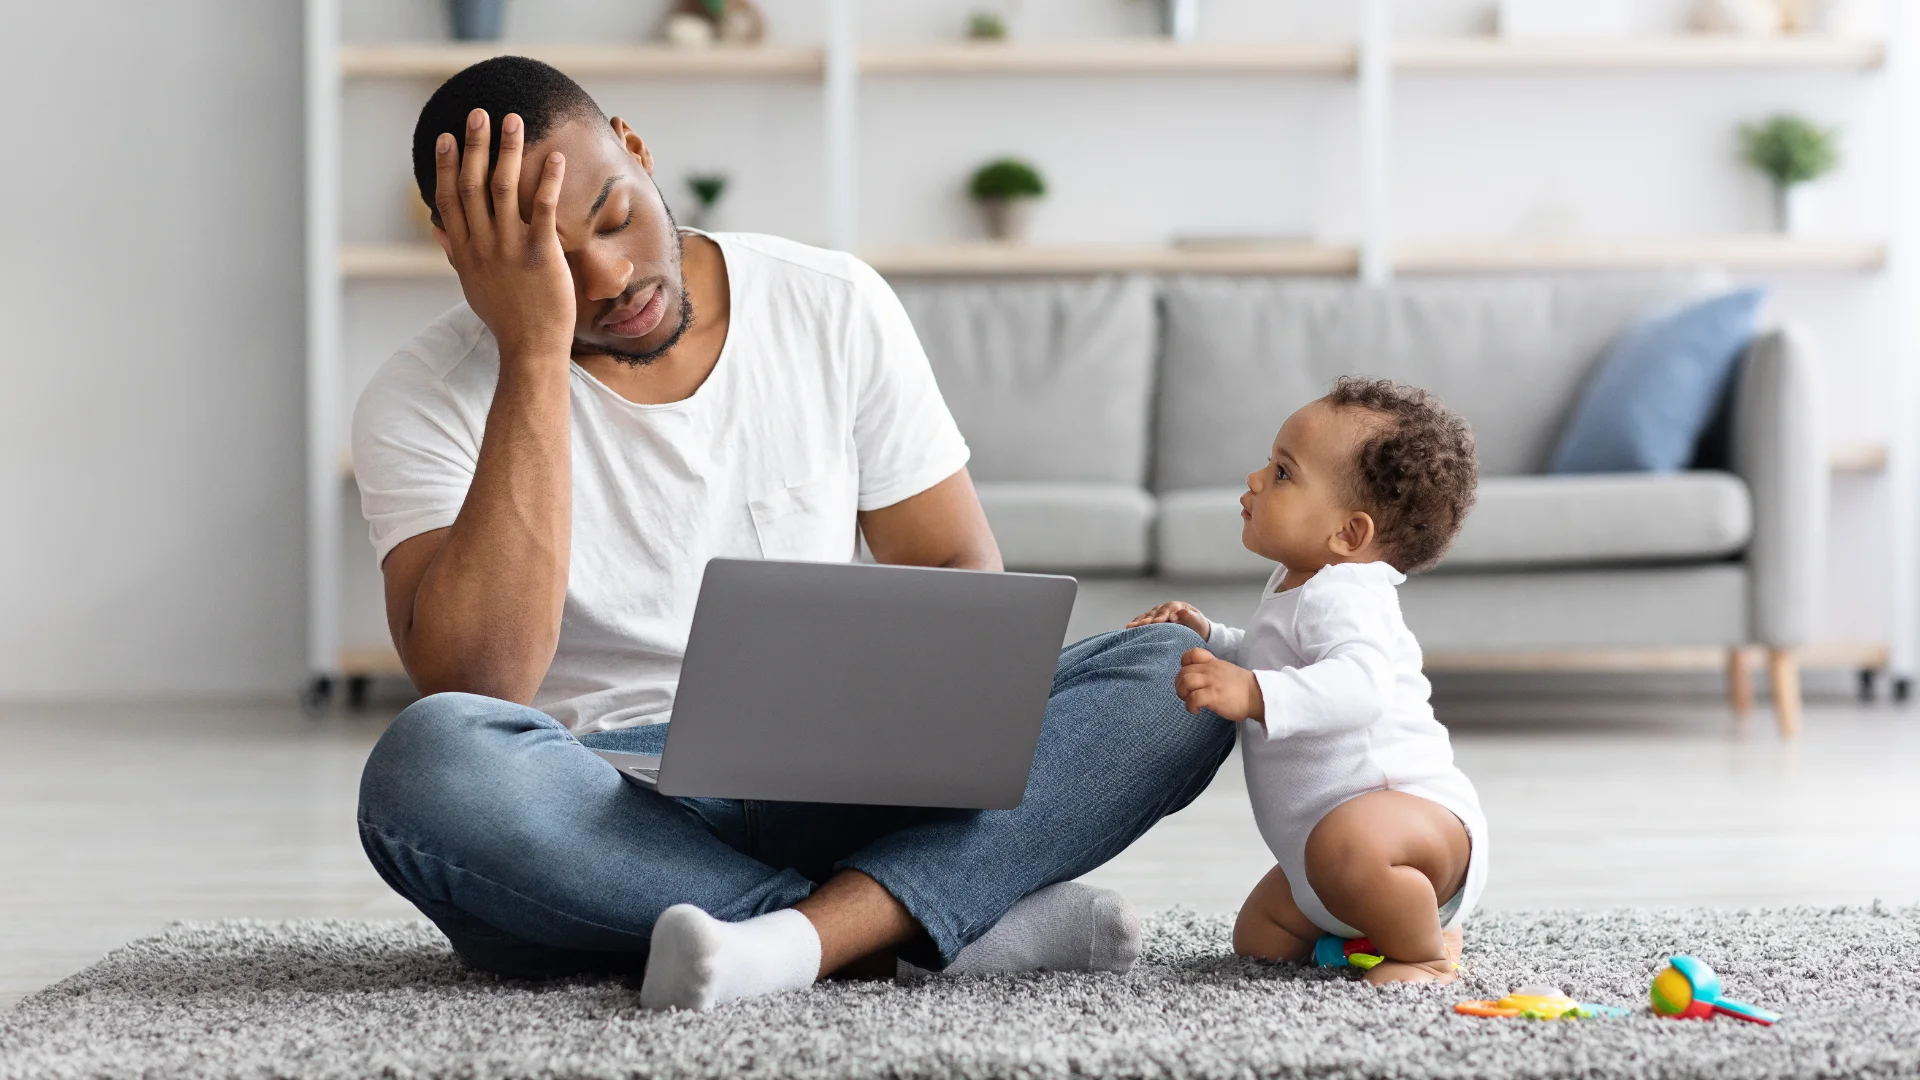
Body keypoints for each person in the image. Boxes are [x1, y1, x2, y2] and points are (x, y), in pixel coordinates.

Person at [350, 56, 1235, 1011]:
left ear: (640, 152)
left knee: (1184, 673)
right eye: (556, 263)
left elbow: (951, 566)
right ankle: (900, 924)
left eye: (613, 217)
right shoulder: (421, 398)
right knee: (431, 766)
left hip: (839, 779)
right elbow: (483, 682)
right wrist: (532, 349)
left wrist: (928, 721)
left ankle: (794, 934)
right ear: (467, 258)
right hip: (601, 808)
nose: (609, 277)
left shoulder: (830, 300)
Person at [1128, 377, 1488, 984]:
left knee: (1344, 848)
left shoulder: (1346, 593)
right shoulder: (1299, 583)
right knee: (1260, 937)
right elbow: (1280, 665)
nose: (1255, 480)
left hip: (1409, 828)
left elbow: (1359, 687)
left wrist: (1250, 694)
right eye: (1270, 464)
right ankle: (1371, 926)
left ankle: (1424, 953)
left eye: (1283, 474)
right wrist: (1214, 639)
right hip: (1326, 860)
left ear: (1349, 535)